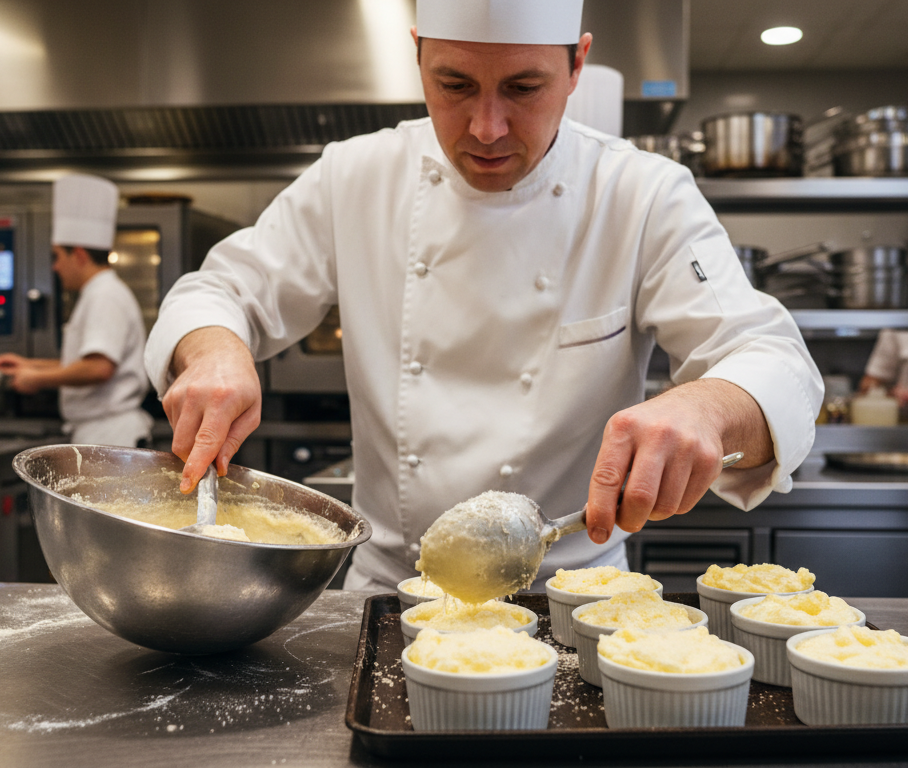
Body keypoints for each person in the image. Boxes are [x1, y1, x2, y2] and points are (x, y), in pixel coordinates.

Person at [143, 0, 823, 592]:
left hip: (576, 601)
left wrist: (708, 406)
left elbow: (772, 358)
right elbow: (222, 290)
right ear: (417, 56)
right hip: (391, 593)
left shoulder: (642, 194)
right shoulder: (356, 176)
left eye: (524, 87)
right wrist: (213, 354)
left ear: (577, 66)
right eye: (455, 84)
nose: (487, 127)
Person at [0, 174, 153, 448]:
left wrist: (37, 378)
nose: (55, 267)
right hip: (104, 437)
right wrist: (28, 364)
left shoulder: (105, 296)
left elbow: (99, 368)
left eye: (57, 256)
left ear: (78, 255)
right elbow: (83, 361)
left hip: (112, 439)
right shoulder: (97, 293)